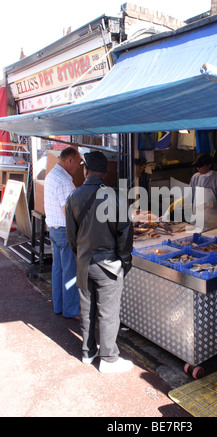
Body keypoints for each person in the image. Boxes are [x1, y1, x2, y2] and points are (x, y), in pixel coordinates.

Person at [65, 151, 134, 373]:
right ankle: (109, 359)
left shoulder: (73, 197)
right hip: (109, 265)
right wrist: (124, 262)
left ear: (85, 170)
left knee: (87, 310)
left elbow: (71, 237)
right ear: (105, 172)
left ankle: (87, 352)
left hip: (84, 263)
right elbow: (125, 233)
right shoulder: (115, 196)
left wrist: (82, 255)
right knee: (108, 312)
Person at [44, 146, 81, 319]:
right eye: (78, 162)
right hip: (65, 231)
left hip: (53, 229)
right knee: (70, 272)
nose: (79, 167)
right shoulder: (64, 181)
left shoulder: (52, 174)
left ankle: (59, 306)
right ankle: (72, 310)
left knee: (58, 270)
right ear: (70, 160)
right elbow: (69, 211)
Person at [162, 153, 217, 229]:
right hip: (195, 220)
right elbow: (189, 196)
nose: (198, 168)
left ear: (209, 165)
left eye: (200, 166)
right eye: (197, 167)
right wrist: (179, 202)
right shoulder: (195, 177)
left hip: (211, 223)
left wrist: (209, 204)